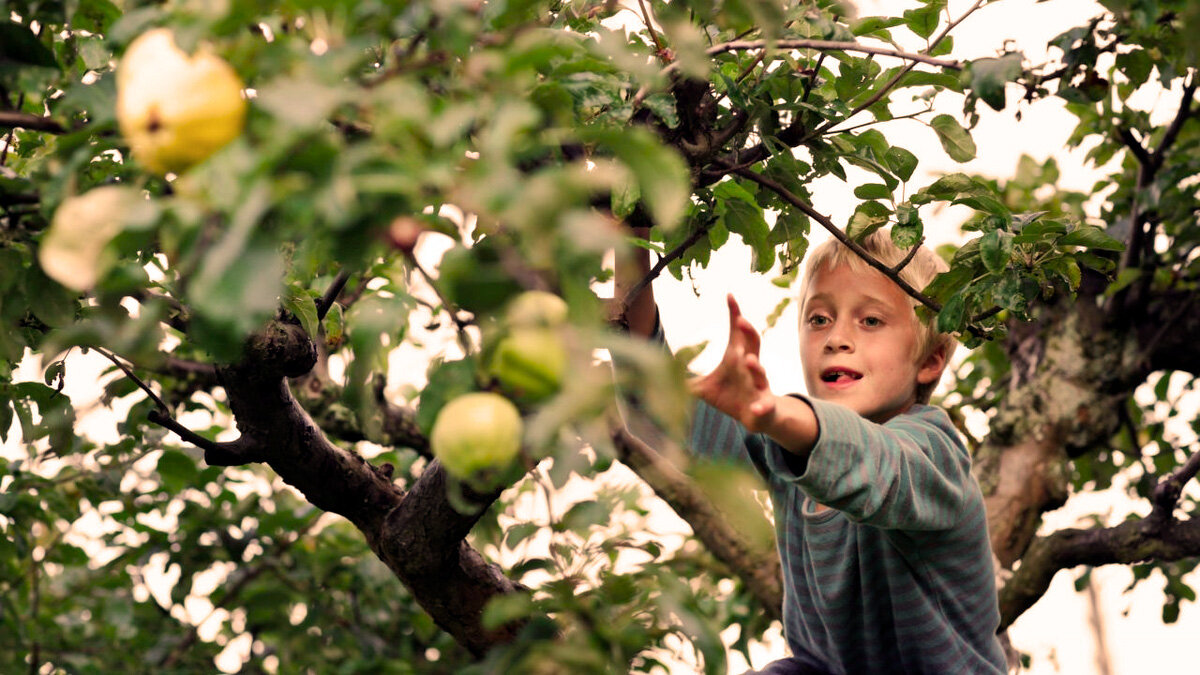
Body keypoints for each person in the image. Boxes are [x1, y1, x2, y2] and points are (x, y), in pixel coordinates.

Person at [616, 227, 1008, 674]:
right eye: (819, 318)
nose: (836, 338)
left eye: (871, 320)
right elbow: (657, 414)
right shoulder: (784, 443)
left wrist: (774, 415)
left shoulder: (935, 452)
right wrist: (631, 233)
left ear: (931, 360)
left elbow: (875, 466)